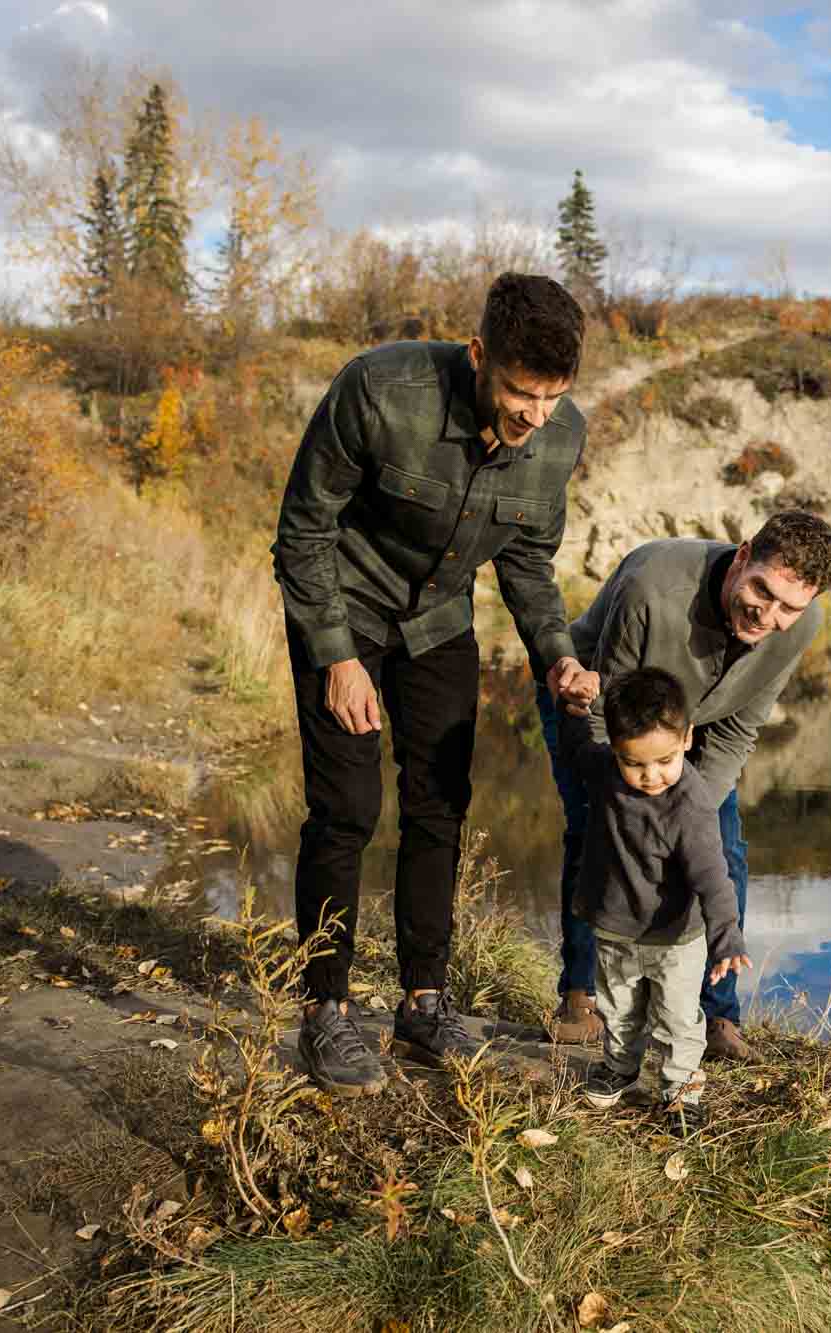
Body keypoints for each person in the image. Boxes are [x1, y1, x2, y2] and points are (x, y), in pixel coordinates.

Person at [273, 272, 600, 1096]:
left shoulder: (559, 437)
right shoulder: (381, 387)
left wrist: (556, 651)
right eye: (521, 393)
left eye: (552, 398)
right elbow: (304, 529)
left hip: (439, 620)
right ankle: (324, 1009)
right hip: (341, 604)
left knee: (440, 803)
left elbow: (526, 557)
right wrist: (337, 656)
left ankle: (424, 1001)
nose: (534, 416)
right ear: (479, 355)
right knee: (346, 809)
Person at [541, 510, 831, 1060]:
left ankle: (718, 1016)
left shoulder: (801, 623)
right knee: (598, 833)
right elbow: (606, 712)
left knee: (720, 847)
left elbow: (741, 726)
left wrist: (689, 807)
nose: (768, 616)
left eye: (789, 609)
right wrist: (638, 797)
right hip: (598, 705)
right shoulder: (653, 589)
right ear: (744, 556)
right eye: (762, 592)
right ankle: (581, 998)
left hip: (701, 722)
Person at [556, 667, 749, 1133]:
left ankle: (682, 1090)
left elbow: (714, 878)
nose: (649, 776)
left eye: (663, 760)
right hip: (614, 927)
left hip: (676, 939)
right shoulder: (605, 772)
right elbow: (577, 749)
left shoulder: (692, 805)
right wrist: (574, 710)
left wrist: (727, 940)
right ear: (617, 750)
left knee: (677, 1018)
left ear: (686, 739)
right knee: (618, 1008)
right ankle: (620, 1068)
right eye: (634, 763)